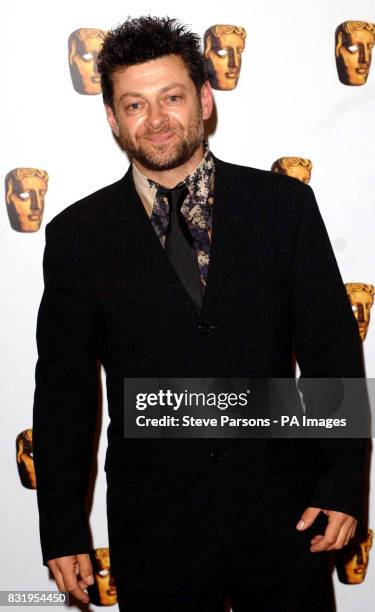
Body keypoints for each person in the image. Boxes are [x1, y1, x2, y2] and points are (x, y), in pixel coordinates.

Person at [33, 16, 368, 612]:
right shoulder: (76, 237)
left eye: (172, 98)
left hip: (286, 514)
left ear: (205, 101)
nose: (155, 119)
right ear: (112, 118)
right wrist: (62, 528)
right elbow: (65, 393)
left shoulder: (282, 208)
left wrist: (343, 484)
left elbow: (330, 347)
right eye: (134, 104)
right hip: (154, 526)